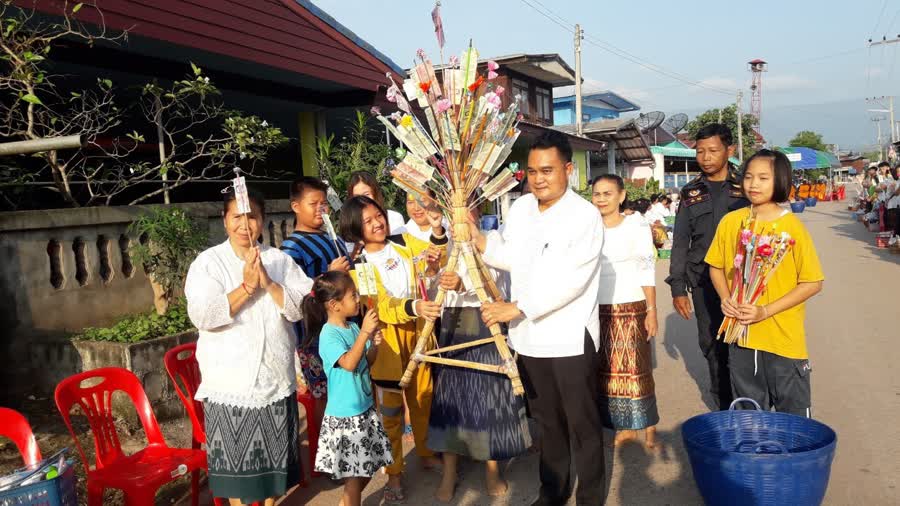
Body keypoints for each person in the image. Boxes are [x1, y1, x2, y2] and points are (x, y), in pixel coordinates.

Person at [467, 131, 606, 505]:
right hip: (528, 338)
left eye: (547, 170)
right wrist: (480, 240)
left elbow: (573, 281)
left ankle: (590, 498)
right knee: (547, 423)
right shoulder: (523, 208)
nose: (539, 178)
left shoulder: (585, 215)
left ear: (567, 169)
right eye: (532, 171)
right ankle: (553, 492)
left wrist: (518, 308)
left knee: (583, 426)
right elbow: (511, 256)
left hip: (569, 337)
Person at [185, 189, 311, 506]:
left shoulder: (280, 260)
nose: (245, 224)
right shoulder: (209, 263)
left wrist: (268, 283)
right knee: (239, 477)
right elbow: (204, 315)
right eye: (237, 217)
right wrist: (246, 287)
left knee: (273, 471)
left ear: (262, 220)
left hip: (274, 376)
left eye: (251, 216)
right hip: (231, 383)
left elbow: (301, 308)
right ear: (225, 221)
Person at [339, 195, 446, 503]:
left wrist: (437, 234)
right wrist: (415, 306)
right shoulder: (359, 266)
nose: (377, 223)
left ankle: (425, 452)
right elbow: (379, 306)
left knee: (424, 398)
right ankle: (395, 472)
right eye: (368, 221)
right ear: (356, 230)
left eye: (378, 216)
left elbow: (431, 256)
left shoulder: (402, 241)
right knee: (391, 414)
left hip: (418, 331)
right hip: (386, 342)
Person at [706, 149, 824, 416]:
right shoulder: (731, 222)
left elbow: (812, 282)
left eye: (763, 178)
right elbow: (715, 266)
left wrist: (765, 311)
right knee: (748, 415)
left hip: (783, 340)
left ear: (780, 181)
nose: (753, 184)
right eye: (749, 177)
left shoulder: (792, 228)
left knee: (793, 420)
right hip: (742, 339)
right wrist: (726, 298)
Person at [428, 207, 531, 503]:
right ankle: (450, 470)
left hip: (486, 321)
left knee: (488, 395)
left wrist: (464, 284)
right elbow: (430, 284)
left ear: (474, 212)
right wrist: (436, 273)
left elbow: (496, 285)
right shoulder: (441, 242)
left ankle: (491, 467)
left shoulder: (493, 240)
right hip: (452, 324)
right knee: (450, 397)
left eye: (467, 212)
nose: (461, 219)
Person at [666, 123, 750, 411]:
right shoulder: (690, 193)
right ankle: (724, 404)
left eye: (713, 150)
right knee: (711, 343)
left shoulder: (746, 187)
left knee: (744, 343)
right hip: (702, 281)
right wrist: (678, 287)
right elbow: (680, 241)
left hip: (743, 281)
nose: (705, 157)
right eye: (700, 151)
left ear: (730, 150)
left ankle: (750, 402)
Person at [305, 271, 393, 506]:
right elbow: (348, 363)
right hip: (346, 418)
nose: (358, 299)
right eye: (353, 295)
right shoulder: (329, 334)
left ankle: (346, 502)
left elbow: (366, 362)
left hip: (364, 409)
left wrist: (373, 344)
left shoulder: (352, 327)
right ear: (334, 305)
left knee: (368, 468)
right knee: (354, 480)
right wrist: (365, 332)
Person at [590, 175, 660, 448]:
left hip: (632, 305)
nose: (602, 199)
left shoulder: (635, 224)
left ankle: (648, 424)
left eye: (608, 193)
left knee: (636, 369)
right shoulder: (589, 227)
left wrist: (651, 309)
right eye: (597, 194)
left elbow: (646, 268)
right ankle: (625, 426)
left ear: (621, 196)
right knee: (609, 370)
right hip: (598, 308)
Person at [280, 177, 351, 431]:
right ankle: (328, 453)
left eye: (325, 204)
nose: (321, 209)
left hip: (345, 328)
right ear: (296, 206)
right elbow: (290, 295)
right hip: (315, 338)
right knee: (324, 395)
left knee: (347, 388)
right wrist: (327, 276)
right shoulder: (291, 248)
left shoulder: (334, 240)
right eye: (314, 203)